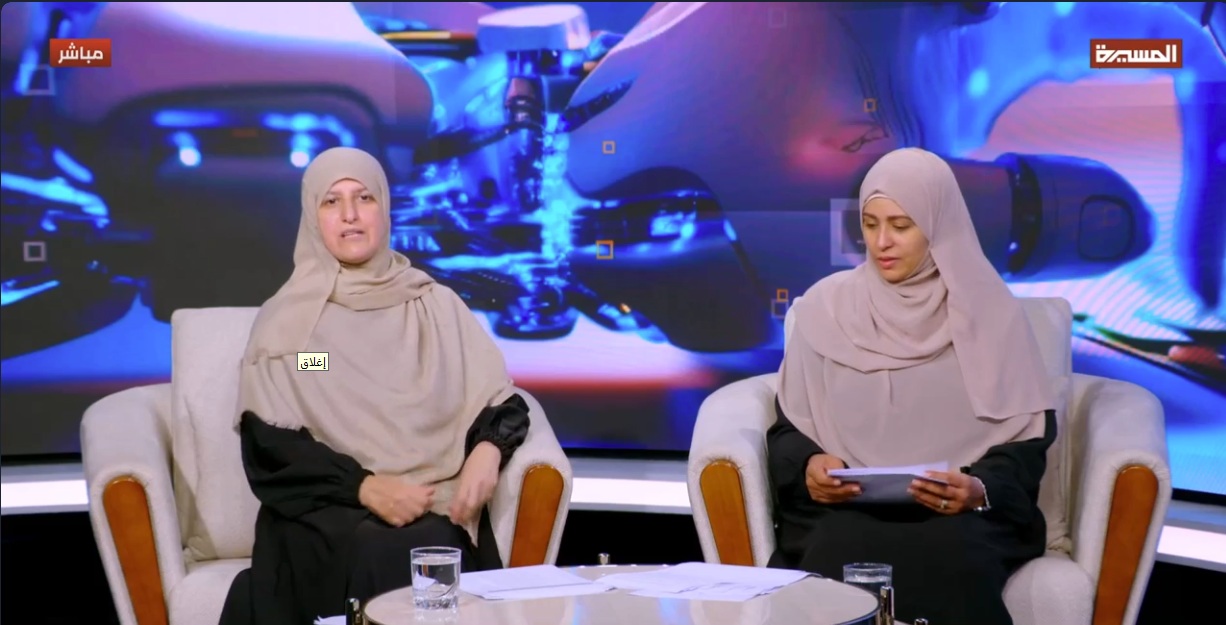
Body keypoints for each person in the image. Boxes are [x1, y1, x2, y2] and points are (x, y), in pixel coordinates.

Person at [219, 147, 531, 625]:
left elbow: (499, 399)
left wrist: (488, 450)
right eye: (331, 201)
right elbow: (281, 426)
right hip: (324, 510)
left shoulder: (434, 307)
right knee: (373, 546)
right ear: (312, 218)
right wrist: (364, 487)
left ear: (384, 208)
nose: (349, 214)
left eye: (364, 197)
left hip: (429, 502)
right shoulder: (293, 326)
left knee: (425, 544)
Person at [766, 147, 1057, 625]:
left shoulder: (992, 312)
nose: (882, 242)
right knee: (841, 545)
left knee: (952, 552)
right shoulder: (824, 309)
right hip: (845, 513)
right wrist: (809, 466)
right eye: (870, 224)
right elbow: (789, 429)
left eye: (901, 226)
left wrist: (978, 489)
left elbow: (1024, 444)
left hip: (956, 516)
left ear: (939, 226)